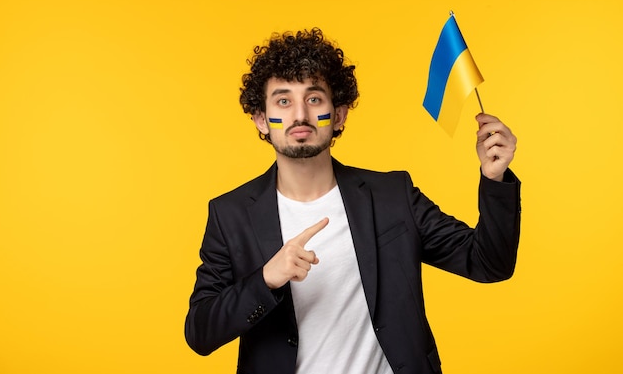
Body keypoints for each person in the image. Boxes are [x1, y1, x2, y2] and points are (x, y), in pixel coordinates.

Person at [185, 28, 521, 374]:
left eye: (314, 99)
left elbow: (488, 263)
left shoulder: (393, 196)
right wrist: (266, 279)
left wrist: (494, 179)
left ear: (340, 114)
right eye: (283, 101)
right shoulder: (230, 214)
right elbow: (200, 332)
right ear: (261, 119)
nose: (299, 115)